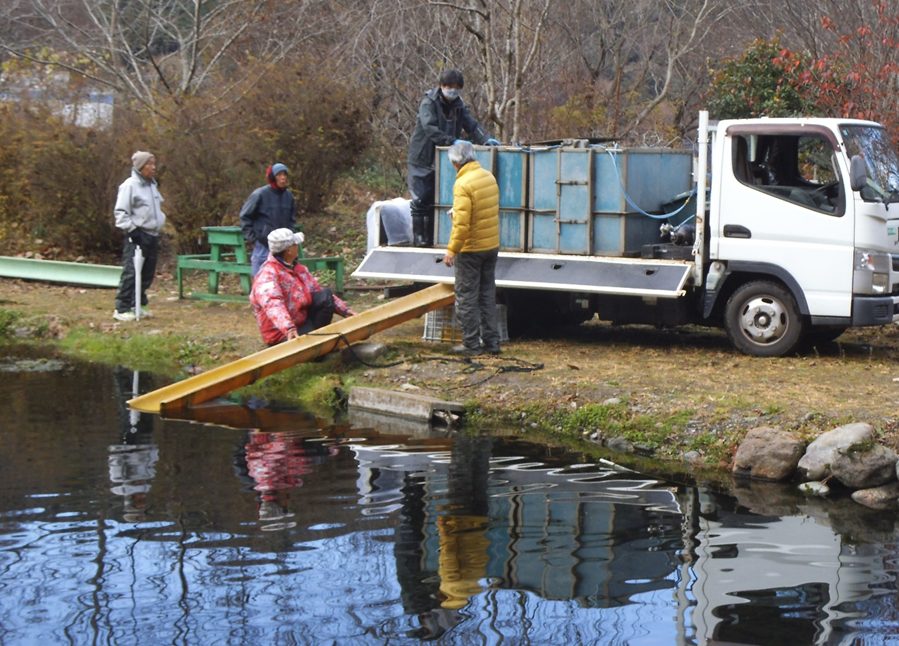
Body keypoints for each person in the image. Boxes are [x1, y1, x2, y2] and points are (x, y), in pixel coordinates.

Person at [408, 68, 498, 247]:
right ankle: (420, 239)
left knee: (440, 198)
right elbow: (430, 128)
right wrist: (452, 141)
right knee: (421, 198)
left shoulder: (458, 105)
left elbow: (470, 124)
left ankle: (436, 236)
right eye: (449, 86)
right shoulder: (429, 102)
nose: (452, 90)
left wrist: (485, 139)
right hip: (423, 156)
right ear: (441, 86)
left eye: (456, 87)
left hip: (445, 158)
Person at [442, 140, 501, 356]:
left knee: (466, 297)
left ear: (456, 162)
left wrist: (451, 250)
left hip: (471, 249)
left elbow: (462, 224)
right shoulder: (488, 176)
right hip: (491, 245)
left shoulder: (463, 184)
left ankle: (471, 345)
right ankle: (492, 343)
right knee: (487, 295)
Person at [249, 228, 356, 345]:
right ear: (289, 250)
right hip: (281, 334)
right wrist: (288, 328)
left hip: (300, 320)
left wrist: (345, 311)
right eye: (295, 244)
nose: (298, 246)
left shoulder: (298, 269)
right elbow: (273, 305)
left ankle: (316, 342)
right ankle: (314, 348)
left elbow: (316, 290)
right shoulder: (267, 276)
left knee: (325, 296)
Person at [113, 150, 166, 321]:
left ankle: (138, 303)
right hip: (137, 234)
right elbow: (121, 211)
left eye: (153, 163)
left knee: (147, 272)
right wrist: (131, 229)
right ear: (140, 167)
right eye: (149, 164)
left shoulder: (152, 185)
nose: (153, 167)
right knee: (131, 271)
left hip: (152, 234)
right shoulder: (130, 185)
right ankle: (122, 307)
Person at [239, 162, 297, 277]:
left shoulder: (289, 196)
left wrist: (290, 236)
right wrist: (253, 238)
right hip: (263, 245)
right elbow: (245, 216)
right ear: (272, 177)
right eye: (279, 175)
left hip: (283, 246)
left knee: (284, 280)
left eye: (285, 174)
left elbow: (292, 220)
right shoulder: (259, 194)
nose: (283, 178)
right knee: (260, 279)